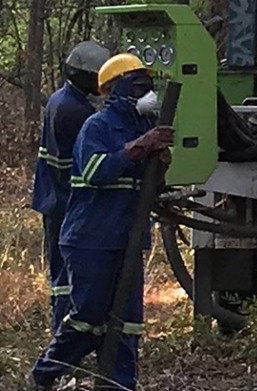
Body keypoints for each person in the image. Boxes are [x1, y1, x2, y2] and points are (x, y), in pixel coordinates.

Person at [26, 53, 173, 391]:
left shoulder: (144, 127)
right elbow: (94, 172)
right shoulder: (97, 127)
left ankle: (118, 384)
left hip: (127, 238)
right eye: (137, 86)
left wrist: (160, 162)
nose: (145, 93)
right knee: (87, 318)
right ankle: (44, 374)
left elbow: (149, 186)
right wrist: (136, 149)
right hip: (91, 237)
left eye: (148, 86)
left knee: (128, 321)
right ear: (118, 89)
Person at [31, 41, 111, 335]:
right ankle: (63, 338)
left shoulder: (58, 99)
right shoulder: (75, 112)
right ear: (81, 75)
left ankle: (61, 336)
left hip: (52, 198)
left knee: (60, 275)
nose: (101, 84)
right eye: (97, 77)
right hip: (66, 203)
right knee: (69, 277)